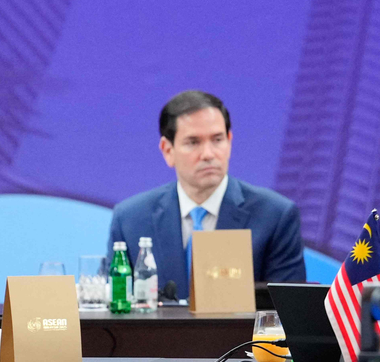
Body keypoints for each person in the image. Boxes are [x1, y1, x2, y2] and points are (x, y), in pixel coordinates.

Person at [108, 90, 305, 301]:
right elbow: (116, 307)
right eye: (193, 142)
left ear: (229, 141)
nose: (208, 154)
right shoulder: (131, 219)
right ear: (168, 150)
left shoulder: (275, 216)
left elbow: (288, 311)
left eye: (217, 139)